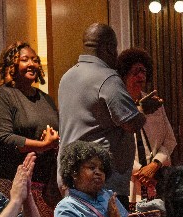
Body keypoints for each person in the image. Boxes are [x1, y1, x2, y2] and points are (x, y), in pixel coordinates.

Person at [58, 23, 145, 197]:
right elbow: (131, 123)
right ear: (109, 48)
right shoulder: (108, 78)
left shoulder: (67, 77)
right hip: (100, 180)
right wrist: (143, 110)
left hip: (71, 174)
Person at [0, 41, 60, 217]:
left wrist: (54, 141)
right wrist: (42, 145)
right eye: (25, 60)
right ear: (12, 65)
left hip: (43, 183)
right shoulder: (2, 97)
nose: (32, 64)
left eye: (35, 60)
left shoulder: (45, 99)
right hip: (9, 182)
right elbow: (3, 138)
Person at [117, 47, 176, 203]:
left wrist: (155, 165)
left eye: (143, 71)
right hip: (129, 181)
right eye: (135, 72)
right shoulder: (116, 104)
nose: (141, 76)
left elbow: (170, 140)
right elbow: (112, 146)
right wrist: (140, 171)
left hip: (157, 179)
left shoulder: (155, 103)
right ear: (124, 75)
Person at [53, 140, 130, 217]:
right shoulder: (65, 208)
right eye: (92, 167)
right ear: (74, 172)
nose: (98, 172)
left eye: (102, 169)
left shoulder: (108, 195)